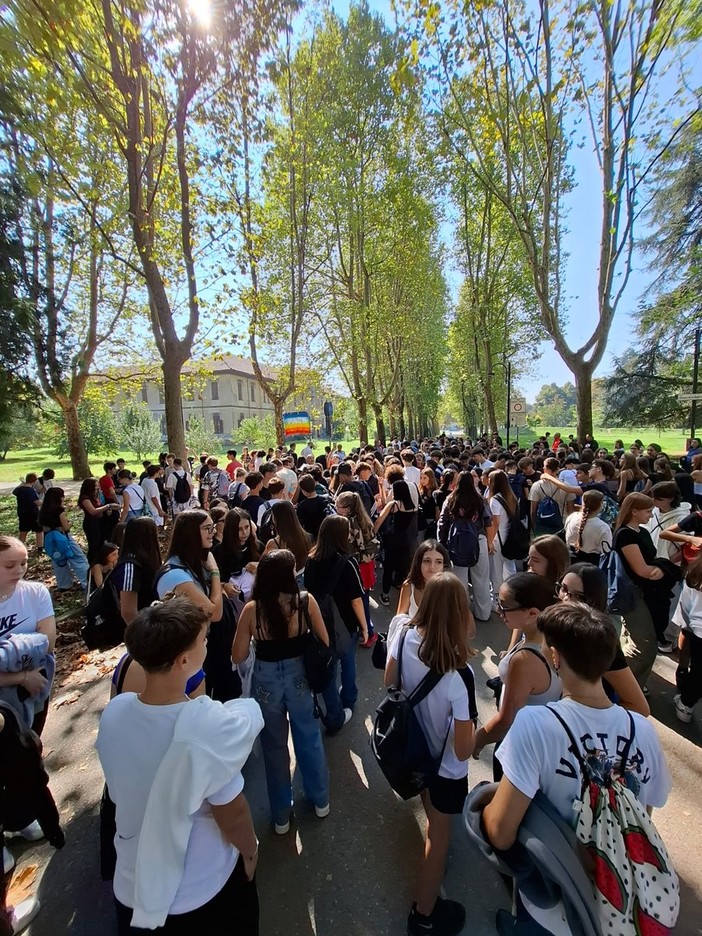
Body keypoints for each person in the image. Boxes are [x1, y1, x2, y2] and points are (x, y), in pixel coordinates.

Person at [482, 602, 672, 933]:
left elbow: (500, 833)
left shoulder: (534, 724)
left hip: (550, 902)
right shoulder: (642, 731)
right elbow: (645, 812)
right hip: (614, 903)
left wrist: (482, 805)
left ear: (555, 658)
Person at [96, 599, 263, 935]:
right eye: (203, 640)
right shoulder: (205, 724)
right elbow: (232, 813)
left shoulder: (115, 712)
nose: (207, 645)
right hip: (200, 891)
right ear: (184, 660)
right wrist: (250, 850)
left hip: (132, 887)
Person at [385, 573, 477, 936]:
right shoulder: (460, 675)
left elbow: (388, 682)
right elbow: (464, 747)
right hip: (445, 766)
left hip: (413, 746)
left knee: (430, 806)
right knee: (439, 837)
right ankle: (423, 913)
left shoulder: (404, 632)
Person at [231, 550, 330, 834]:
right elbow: (324, 639)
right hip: (300, 677)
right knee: (309, 738)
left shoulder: (252, 610)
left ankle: (281, 815)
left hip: (265, 681)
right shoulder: (305, 601)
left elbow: (237, 655)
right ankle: (320, 798)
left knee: (274, 747)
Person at [473, 573, 562, 778]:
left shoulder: (524, 660)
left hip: (517, 745)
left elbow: (506, 719)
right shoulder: (552, 637)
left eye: (504, 607)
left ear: (532, 613)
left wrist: (477, 742)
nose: (499, 611)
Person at [558, 563, 649, 716]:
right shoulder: (553, 622)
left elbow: (639, 707)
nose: (566, 599)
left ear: (593, 601)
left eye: (578, 596)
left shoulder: (600, 641)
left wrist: (593, 718)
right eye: (564, 589)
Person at [304, 516, 368, 733]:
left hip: (318, 623)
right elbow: (356, 600)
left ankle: (333, 709)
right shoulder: (347, 562)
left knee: (327, 667)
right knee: (348, 662)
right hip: (345, 624)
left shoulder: (311, 560)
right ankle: (348, 699)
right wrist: (365, 627)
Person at [614, 493, 677, 677]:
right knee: (645, 648)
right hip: (635, 594)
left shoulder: (641, 532)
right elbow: (644, 571)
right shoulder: (625, 534)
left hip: (644, 593)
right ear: (634, 511)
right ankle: (625, 686)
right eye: (648, 511)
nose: (652, 514)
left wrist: (660, 568)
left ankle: (636, 684)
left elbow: (652, 565)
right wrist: (663, 568)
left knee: (632, 641)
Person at [437, 471, 492, 622]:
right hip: (478, 540)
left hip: (457, 541)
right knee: (481, 578)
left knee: (459, 580)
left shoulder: (451, 499)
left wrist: (442, 543)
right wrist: (489, 542)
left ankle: (460, 614)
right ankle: (483, 613)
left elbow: (442, 522)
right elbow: (488, 521)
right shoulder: (480, 500)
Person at [335, 491, 379, 647]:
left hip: (357, 566)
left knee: (360, 601)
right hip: (366, 564)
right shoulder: (363, 518)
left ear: (346, 509)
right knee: (364, 598)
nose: (335, 508)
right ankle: (368, 629)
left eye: (338, 506)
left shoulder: (348, 524)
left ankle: (369, 634)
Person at [374, 478, 419, 607]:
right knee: (404, 567)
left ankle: (385, 595)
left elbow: (379, 521)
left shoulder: (393, 504)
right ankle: (404, 594)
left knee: (388, 568)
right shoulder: (412, 505)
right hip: (407, 541)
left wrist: (373, 534)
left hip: (392, 541)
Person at [110, 518, 162, 628]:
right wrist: (143, 635)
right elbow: (128, 612)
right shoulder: (129, 567)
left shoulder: (147, 560)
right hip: (142, 630)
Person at [38, 488, 90, 592]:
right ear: (59, 498)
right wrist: (70, 523)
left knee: (58, 561)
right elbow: (66, 527)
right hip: (63, 537)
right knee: (78, 559)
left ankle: (64, 585)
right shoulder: (59, 510)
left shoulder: (43, 511)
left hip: (50, 539)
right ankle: (87, 583)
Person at [671, 552, 702, 723]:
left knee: (698, 673)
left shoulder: (695, 571)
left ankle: (686, 704)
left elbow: (686, 605)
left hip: (698, 630)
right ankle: (686, 703)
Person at [487, 469, 520, 598]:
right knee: (509, 565)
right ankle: (513, 591)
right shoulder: (510, 496)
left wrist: (489, 542)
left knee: (496, 570)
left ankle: (497, 595)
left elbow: (495, 523)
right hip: (510, 536)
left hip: (498, 538)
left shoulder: (495, 500)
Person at [397, 540, 451, 617]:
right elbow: (398, 620)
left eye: (438, 562)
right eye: (427, 561)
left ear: (444, 565)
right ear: (419, 563)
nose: (432, 567)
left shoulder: (451, 589)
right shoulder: (409, 586)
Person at [262, 500, 310, 585]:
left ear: (275, 518)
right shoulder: (307, 537)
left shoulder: (274, 543)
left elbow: (263, 566)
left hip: (283, 585)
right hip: (304, 581)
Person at [78, 478, 120, 565]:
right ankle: (92, 563)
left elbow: (100, 508)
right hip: (91, 523)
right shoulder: (85, 498)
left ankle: (100, 562)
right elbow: (93, 511)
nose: (98, 487)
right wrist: (108, 506)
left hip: (100, 522)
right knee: (94, 545)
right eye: (96, 486)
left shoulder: (96, 496)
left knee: (101, 543)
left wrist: (107, 511)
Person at [563, 489, 612, 564]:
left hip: (570, 561)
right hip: (591, 565)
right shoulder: (603, 527)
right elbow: (606, 551)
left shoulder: (571, 517)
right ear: (600, 505)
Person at [12, 475, 43, 553]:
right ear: (34, 481)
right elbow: (37, 502)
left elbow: (14, 492)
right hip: (33, 513)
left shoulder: (20, 489)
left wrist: (22, 484)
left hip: (22, 513)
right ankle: (40, 548)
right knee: (39, 530)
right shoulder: (30, 490)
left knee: (23, 531)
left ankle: (19, 548)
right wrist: (45, 503)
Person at [141, 464, 167, 528]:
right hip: (153, 509)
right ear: (156, 473)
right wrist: (160, 510)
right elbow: (154, 498)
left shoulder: (145, 480)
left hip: (147, 507)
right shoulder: (153, 484)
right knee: (156, 526)